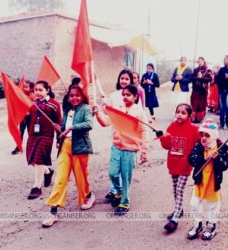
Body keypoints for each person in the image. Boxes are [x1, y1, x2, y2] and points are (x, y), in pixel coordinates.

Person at [42, 85, 95, 228]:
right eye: (71, 96)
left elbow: (89, 124)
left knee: (81, 178)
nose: (74, 98)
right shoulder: (67, 109)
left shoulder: (86, 109)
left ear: (82, 96)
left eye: (77, 95)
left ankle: (88, 195)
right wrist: (59, 130)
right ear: (68, 97)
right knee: (61, 178)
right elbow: (63, 128)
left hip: (80, 147)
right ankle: (53, 211)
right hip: (65, 146)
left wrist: (72, 128)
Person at [94, 85, 148, 216]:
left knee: (126, 177)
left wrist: (144, 151)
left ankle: (124, 201)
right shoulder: (118, 109)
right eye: (123, 94)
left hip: (130, 149)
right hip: (116, 147)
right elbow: (106, 122)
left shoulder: (139, 112)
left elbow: (144, 131)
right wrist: (97, 113)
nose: (125, 97)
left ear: (136, 97)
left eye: (128, 95)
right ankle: (118, 192)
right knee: (112, 173)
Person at [187, 119, 228, 241]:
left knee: (212, 206)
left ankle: (211, 225)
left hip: (212, 183)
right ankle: (198, 224)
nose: (204, 138)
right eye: (202, 134)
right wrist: (203, 158)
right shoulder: (198, 147)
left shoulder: (221, 149)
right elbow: (191, 159)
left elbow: (225, 165)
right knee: (194, 204)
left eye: (207, 135)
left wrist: (217, 158)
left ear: (214, 136)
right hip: (200, 182)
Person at [159, 103, 199, 233]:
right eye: (178, 112)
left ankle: (175, 219)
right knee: (175, 189)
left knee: (180, 189)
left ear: (189, 115)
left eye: (183, 113)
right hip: (173, 163)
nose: (180, 115)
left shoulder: (193, 129)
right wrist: (162, 137)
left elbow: (202, 142)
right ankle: (179, 209)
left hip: (185, 165)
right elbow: (166, 145)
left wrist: (214, 143)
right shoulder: (171, 126)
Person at [26, 80, 61, 200]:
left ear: (47, 90)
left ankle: (37, 187)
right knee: (32, 160)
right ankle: (47, 171)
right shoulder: (32, 104)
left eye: (40, 90)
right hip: (33, 135)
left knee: (38, 159)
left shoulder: (54, 104)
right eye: (36, 90)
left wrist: (59, 139)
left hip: (46, 136)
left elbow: (59, 123)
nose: (38, 92)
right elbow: (28, 121)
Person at [102, 69, 134, 202]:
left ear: (131, 81)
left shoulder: (134, 95)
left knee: (123, 167)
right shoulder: (114, 95)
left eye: (127, 79)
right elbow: (108, 114)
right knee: (114, 167)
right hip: (116, 137)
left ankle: (117, 191)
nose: (124, 81)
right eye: (122, 78)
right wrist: (104, 106)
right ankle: (115, 188)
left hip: (129, 139)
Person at [11, 80, 35, 155]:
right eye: (24, 86)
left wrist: (29, 111)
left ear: (31, 88)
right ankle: (18, 147)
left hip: (31, 117)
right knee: (20, 132)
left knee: (30, 132)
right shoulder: (22, 95)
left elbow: (34, 107)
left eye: (26, 87)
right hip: (23, 117)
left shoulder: (32, 96)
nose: (24, 88)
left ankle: (32, 147)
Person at [191, 57, 213, 123]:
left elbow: (210, 79)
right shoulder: (195, 70)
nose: (200, 62)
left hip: (203, 90)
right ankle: (193, 117)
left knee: (201, 104)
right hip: (195, 88)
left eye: (201, 61)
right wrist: (197, 77)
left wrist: (201, 78)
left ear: (204, 61)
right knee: (194, 102)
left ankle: (200, 117)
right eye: (199, 61)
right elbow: (192, 78)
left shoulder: (208, 70)